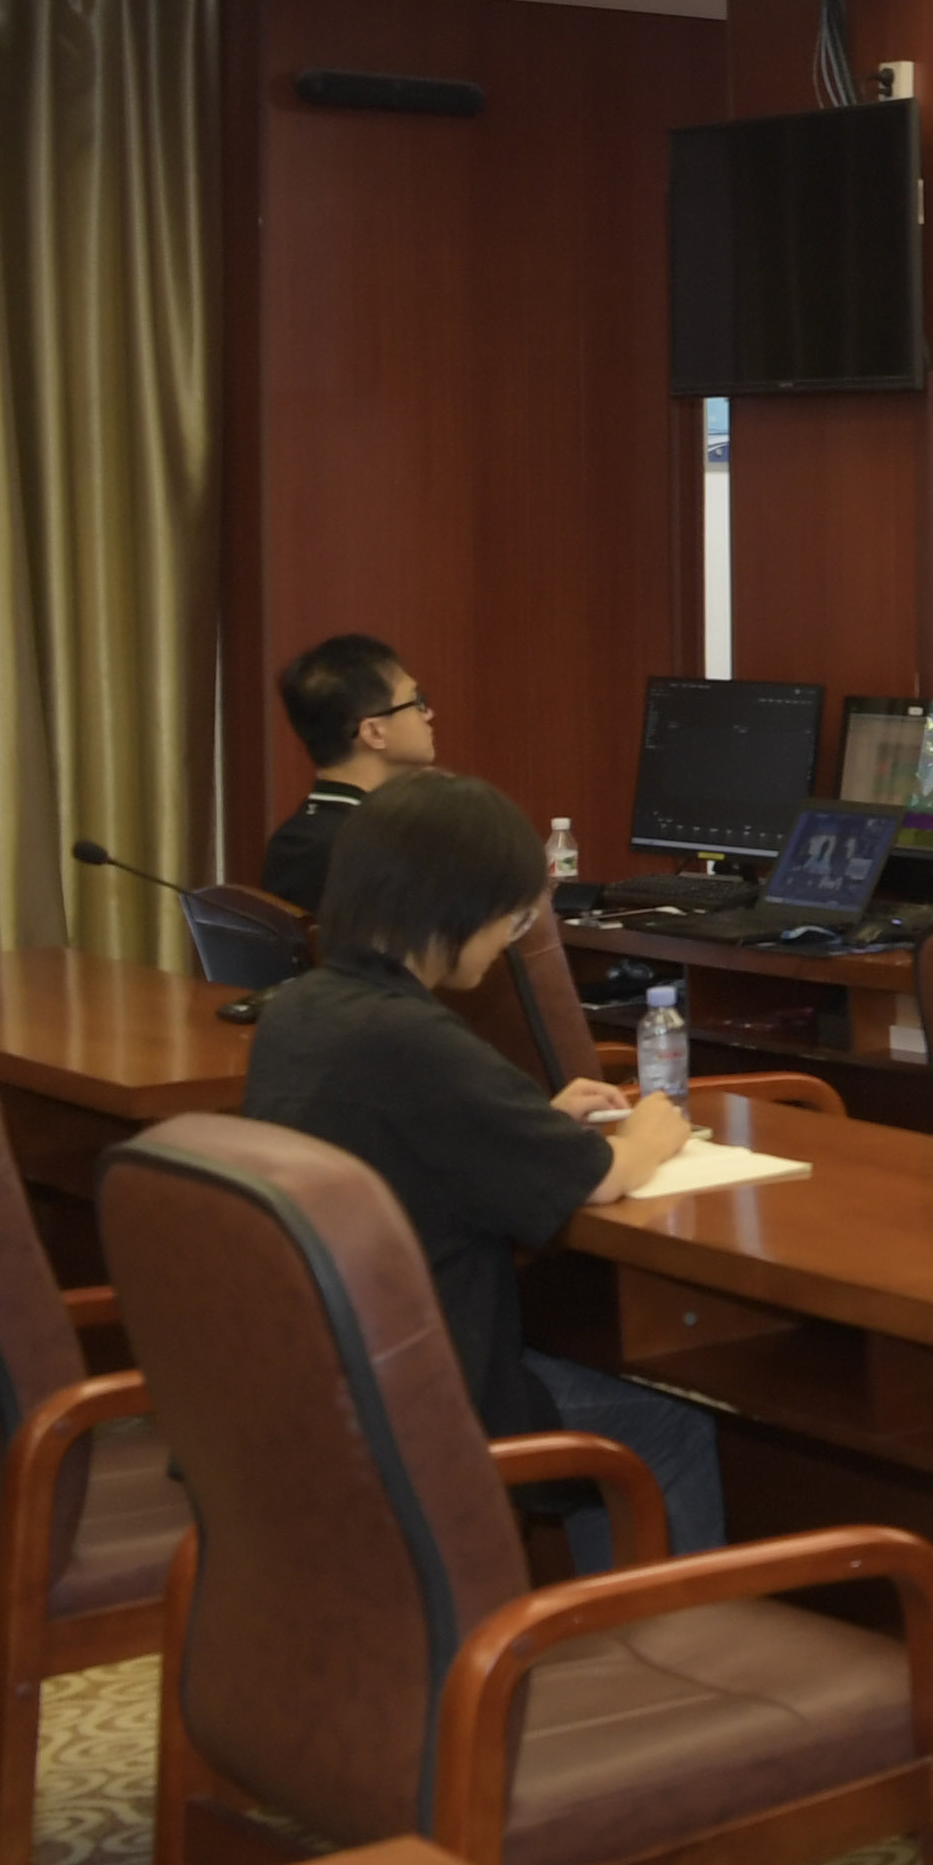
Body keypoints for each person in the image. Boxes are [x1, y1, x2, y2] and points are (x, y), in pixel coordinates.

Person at [238, 770, 710, 1569]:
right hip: (425, 1402)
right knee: (671, 1425)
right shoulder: (412, 1039)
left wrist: (533, 1121)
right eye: (512, 918)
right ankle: (651, 1636)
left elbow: (428, 1141)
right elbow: (600, 1175)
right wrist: (652, 1133)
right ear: (457, 907)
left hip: (326, 1384)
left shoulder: (302, 1009)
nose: (509, 940)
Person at [257, 631, 433, 911]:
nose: (428, 714)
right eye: (416, 702)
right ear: (374, 732)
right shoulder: (368, 849)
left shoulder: (298, 835)